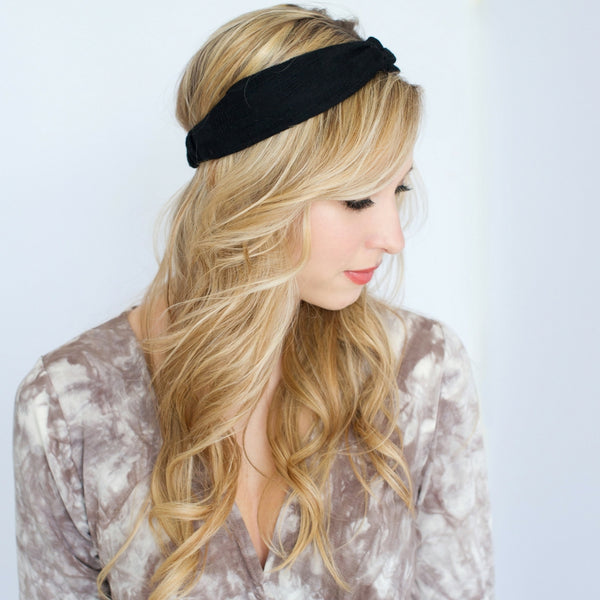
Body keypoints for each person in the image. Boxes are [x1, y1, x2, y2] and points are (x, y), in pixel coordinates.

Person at [13, 4, 494, 599]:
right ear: (251, 192)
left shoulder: (423, 372)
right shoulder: (68, 407)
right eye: (355, 200)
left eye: (397, 190)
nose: (393, 238)